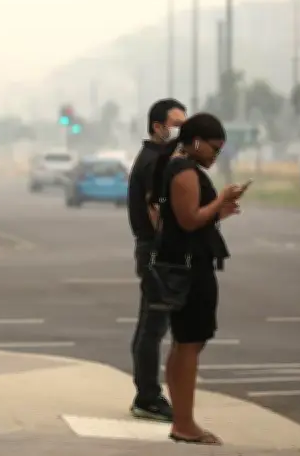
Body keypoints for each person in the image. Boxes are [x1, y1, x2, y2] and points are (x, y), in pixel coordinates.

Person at [154, 113, 241, 445]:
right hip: (191, 269)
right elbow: (189, 221)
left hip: (187, 262)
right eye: (213, 148)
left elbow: (187, 219)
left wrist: (219, 211)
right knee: (189, 343)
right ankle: (185, 423)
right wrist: (219, 200)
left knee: (185, 342)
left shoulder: (178, 167)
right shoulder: (185, 172)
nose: (215, 155)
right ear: (195, 141)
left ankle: (182, 419)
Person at [126, 98, 187, 422]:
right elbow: (156, 211)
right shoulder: (156, 163)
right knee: (153, 327)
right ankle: (148, 397)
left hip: (153, 251)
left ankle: (146, 393)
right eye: (177, 125)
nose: (182, 132)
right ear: (158, 127)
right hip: (158, 253)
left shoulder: (156, 158)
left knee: (149, 326)